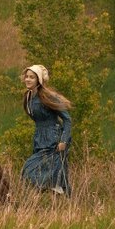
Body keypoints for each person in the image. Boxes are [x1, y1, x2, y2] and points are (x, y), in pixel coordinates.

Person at [19, 64, 72, 197]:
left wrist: (64, 140)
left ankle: (61, 199)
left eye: (32, 77)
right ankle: (47, 198)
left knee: (44, 171)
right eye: (27, 76)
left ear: (38, 80)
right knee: (33, 170)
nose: (28, 79)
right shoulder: (28, 97)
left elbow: (67, 119)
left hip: (53, 139)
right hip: (39, 139)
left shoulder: (48, 96)